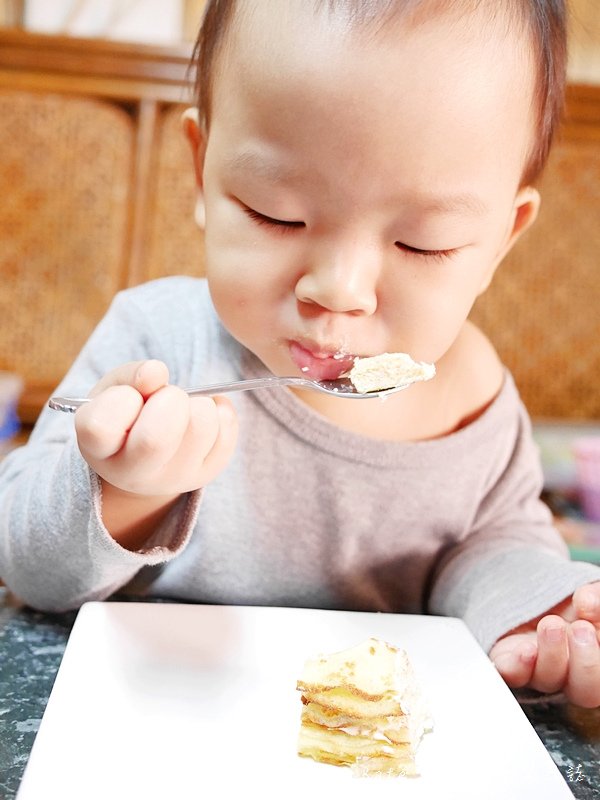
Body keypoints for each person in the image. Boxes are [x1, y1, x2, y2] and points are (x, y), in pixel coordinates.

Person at [1, 0, 599, 707]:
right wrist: (123, 490)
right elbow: (25, 568)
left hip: (368, 743)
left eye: (423, 243)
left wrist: (537, 614)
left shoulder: (477, 397)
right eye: (275, 213)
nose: (339, 291)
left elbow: (492, 543)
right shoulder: (160, 341)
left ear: (502, 238)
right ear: (201, 171)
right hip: (154, 713)